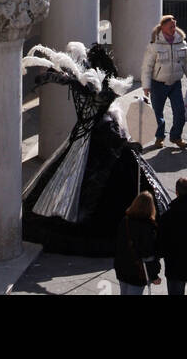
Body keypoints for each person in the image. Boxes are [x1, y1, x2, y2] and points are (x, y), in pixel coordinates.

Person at [22, 42, 171, 257]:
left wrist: (53, 78)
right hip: (94, 138)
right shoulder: (91, 88)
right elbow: (78, 87)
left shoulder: (91, 89)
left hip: (95, 139)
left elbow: (77, 87)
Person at [141, 14, 187, 150]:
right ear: (163, 28)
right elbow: (147, 67)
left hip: (175, 84)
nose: (174, 29)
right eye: (170, 26)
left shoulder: (181, 42)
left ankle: (176, 137)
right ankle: (159, 137)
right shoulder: (154, 45)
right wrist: (146, 87)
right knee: (157, 114)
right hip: (158, 84)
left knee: (180, 112)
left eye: (174, 26)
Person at [114, 191, 162, 296]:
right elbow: (148, 255)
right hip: (137, 272)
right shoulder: (148, 227)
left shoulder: (125, 221)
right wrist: (154, 276)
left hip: (123, 268)